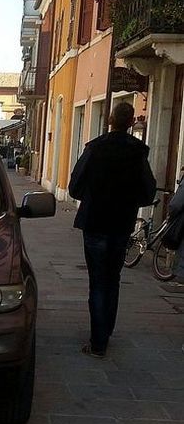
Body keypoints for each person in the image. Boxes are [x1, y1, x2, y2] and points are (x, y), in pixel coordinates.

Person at [68, 102, 157, 358]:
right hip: (121, 222)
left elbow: (75, 186)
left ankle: (98, 343)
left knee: (97, 281)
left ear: (109, 120)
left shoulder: (94, 149)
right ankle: (105, 331)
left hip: (95, 221)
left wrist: (93, 196)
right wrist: (128, 201)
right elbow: (148, 191)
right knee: (113, 279)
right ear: (130, 123)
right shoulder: (137, 153)